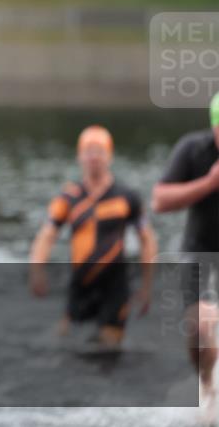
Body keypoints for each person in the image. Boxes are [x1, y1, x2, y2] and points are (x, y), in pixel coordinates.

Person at [29, 125, 158, 347]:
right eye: (88, 151)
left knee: (108, 349)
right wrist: (37, 270)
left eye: (99, 151)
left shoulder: (127, 197)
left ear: (110, 156)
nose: (94, 158)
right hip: (81, 283)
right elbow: (47, 235)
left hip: (115, 285)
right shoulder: (69, 197)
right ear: (79, 156)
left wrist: (147, 286)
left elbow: (147, 239)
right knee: (65, 347)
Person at [152, 92, 219, 421]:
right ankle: (207, 386)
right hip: (199, 248)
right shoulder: (193, 149)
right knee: (198, 328)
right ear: (214, 125)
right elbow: (159, 201)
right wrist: (209, 183)